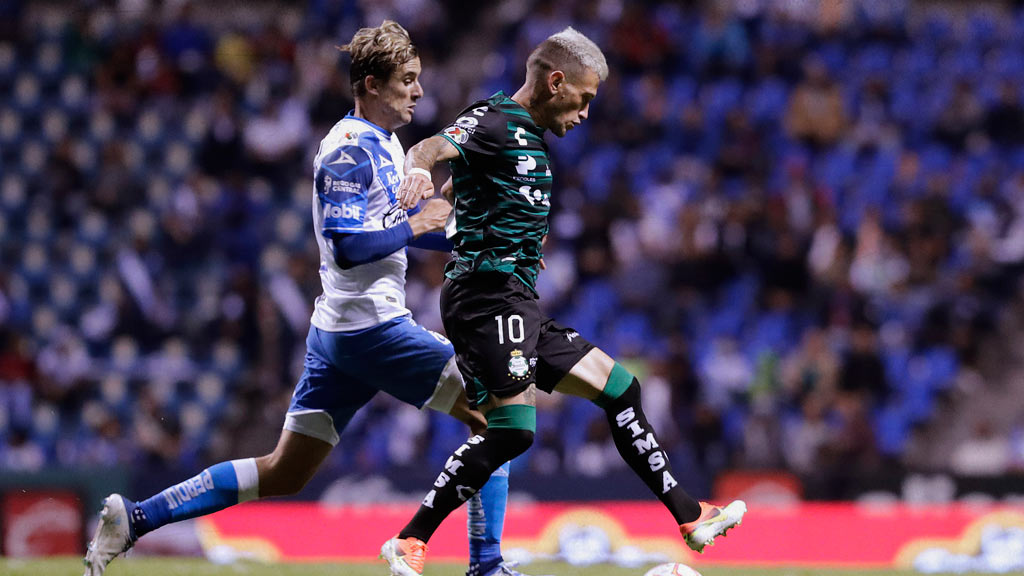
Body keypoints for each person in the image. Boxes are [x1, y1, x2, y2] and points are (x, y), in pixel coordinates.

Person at [85, 21, 528, 576]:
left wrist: (478, 234)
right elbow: (347, 247)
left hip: (341, 333)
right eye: (407, 80)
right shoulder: (346, 153)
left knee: (284, 473)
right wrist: (418, 228)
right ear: (371, 84)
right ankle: (485, 567)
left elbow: (394, 226)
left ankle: (135, 518)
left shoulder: (386, 144)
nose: (418, 90)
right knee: (501, 413)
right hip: (372, 329)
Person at [380, 27, 746, 576]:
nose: (586, 113)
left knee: (621, 388)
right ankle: (410, 539)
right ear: (556, 82)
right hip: (485, 298)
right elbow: (430, 148)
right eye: (585, 98)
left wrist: (509, 240)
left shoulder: (529, 139)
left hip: (516, 295)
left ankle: (691, 518)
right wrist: (415, 173)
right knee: (512, 431)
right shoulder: (495, 121)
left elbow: (466, 194)